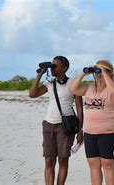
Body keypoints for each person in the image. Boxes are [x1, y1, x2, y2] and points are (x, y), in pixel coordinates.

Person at [29, 56, 84, 185]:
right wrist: (40, 75)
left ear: (64, 68)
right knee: (49, 160)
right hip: (48, 125)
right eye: (52, 65)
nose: (53, 68)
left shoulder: (73, 84)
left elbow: (80, 109)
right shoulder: (49, 83)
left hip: (65, 127)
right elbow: (32, 94)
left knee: (63, 160)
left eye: (56, 66)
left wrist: (80, 130)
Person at [69, 60, 114, 185]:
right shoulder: (89, 87)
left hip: (111, 132)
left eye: (102, 71)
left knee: (108, 164)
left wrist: (104, 72)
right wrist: (84, 73)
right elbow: (72, 89)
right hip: (90, 132)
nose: (98, 75)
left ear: (110, 73)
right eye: (97, 72)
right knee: (93, 164)